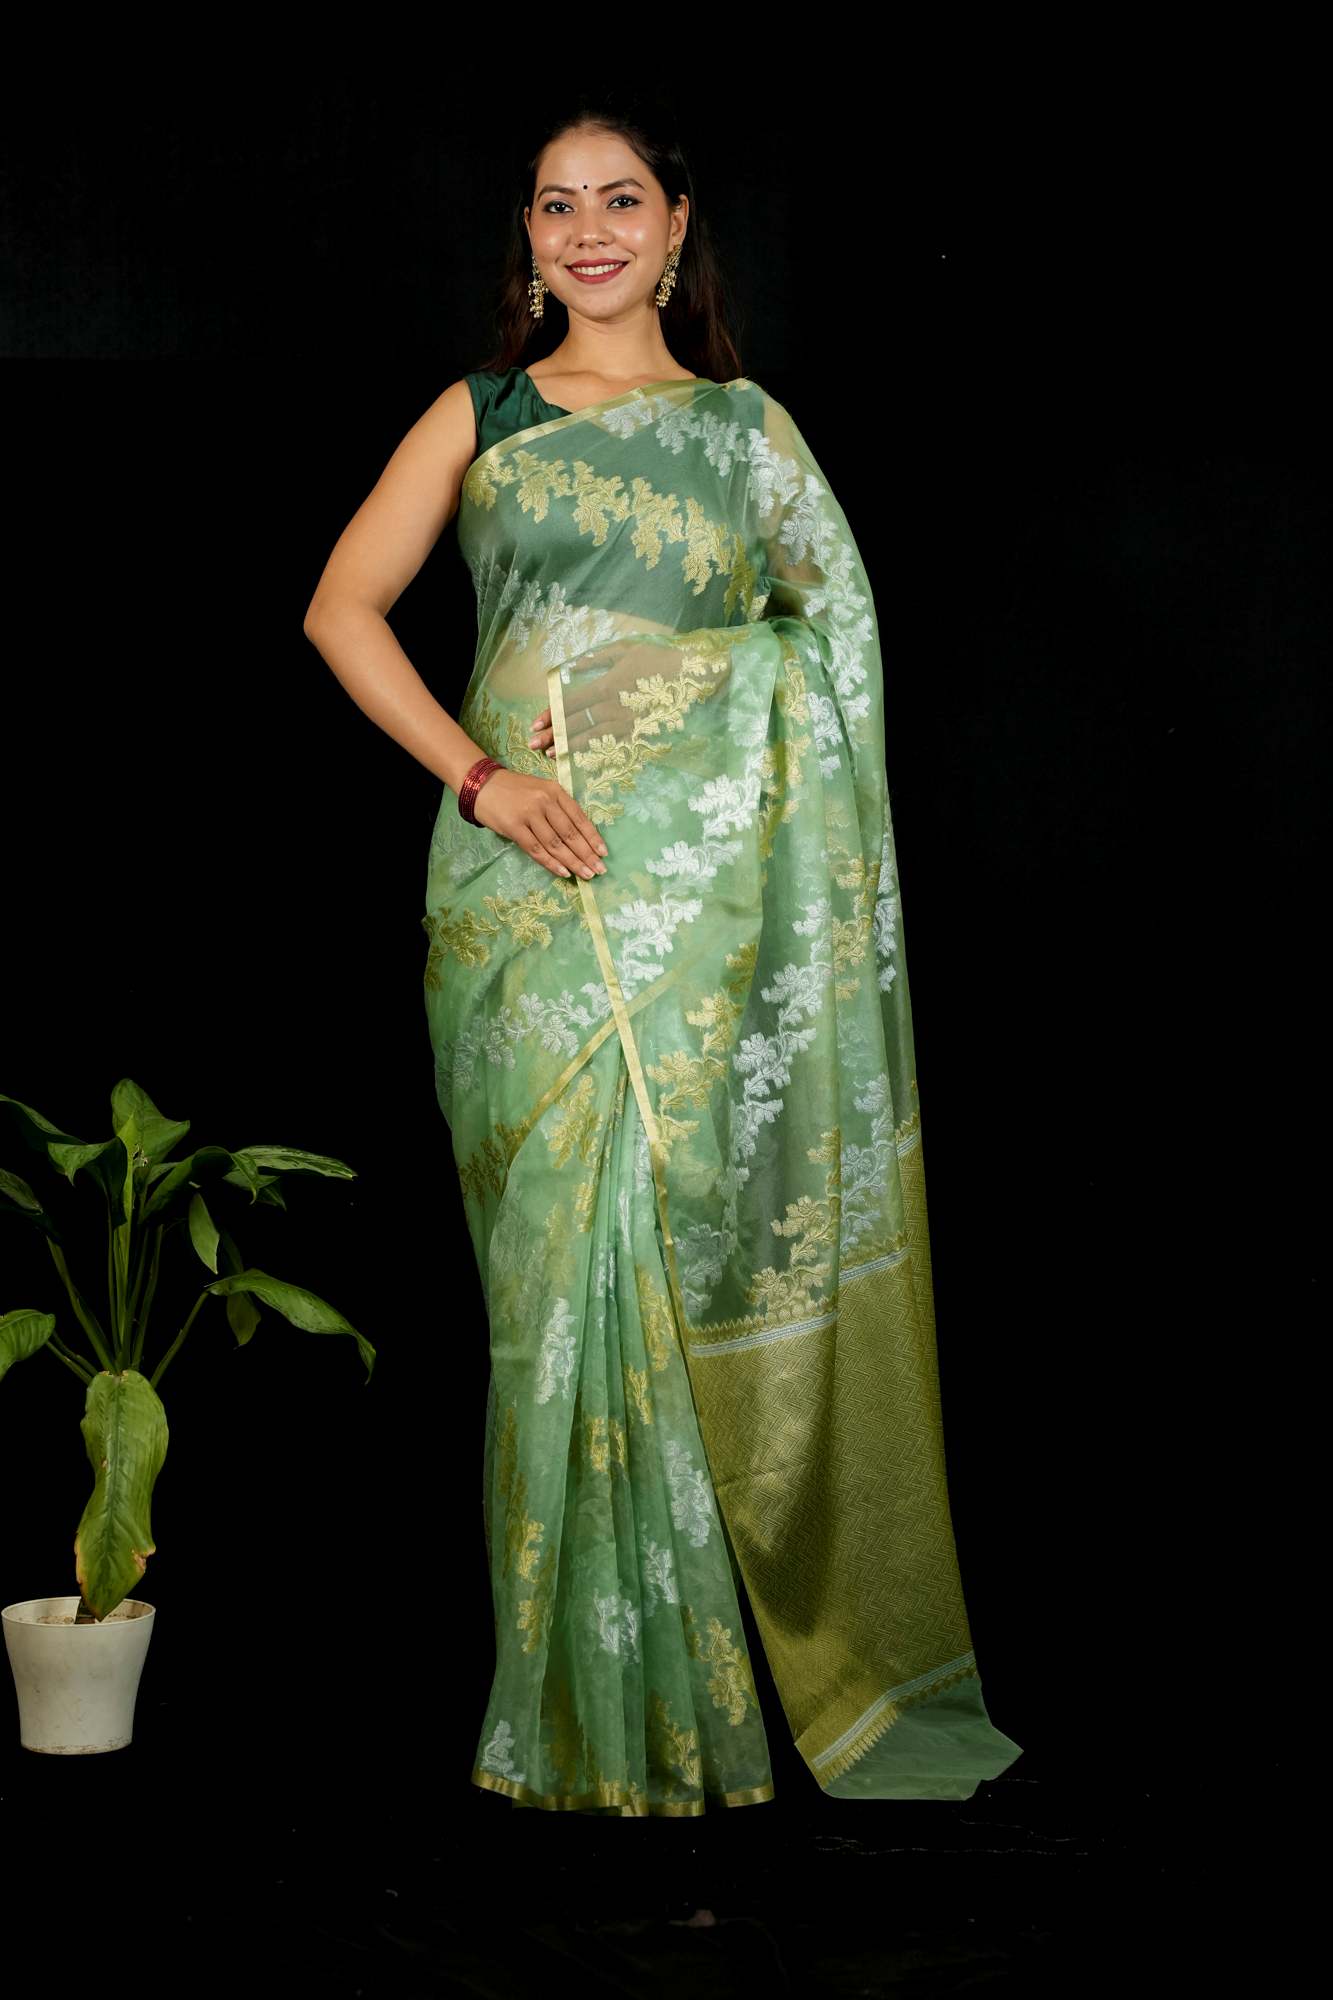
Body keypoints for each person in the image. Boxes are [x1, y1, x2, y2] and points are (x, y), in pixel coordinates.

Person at [303, 99, 1023, 1903]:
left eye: (620, 199)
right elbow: (341, 611)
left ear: (680, 225)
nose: (589, 231)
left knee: (680, 1245)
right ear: (528, 239)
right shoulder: (480, 415)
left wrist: (660, 714)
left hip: (703, 922)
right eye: (557, 206)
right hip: (521, 907)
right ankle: (585, 1719)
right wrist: (485, 779)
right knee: (557, 1285)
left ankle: (706, 1713)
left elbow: (830, 650)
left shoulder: (748, 432)